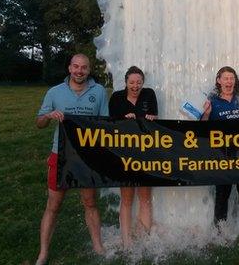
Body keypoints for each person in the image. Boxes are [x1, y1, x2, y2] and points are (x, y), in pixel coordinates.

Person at [35, 54, 108, 265]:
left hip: (87, 157)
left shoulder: (99, 91)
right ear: (69, 68)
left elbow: (105, 123)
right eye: (76, 66)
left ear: (89, 69)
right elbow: (39, 122)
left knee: (90, 202)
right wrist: (48, 117)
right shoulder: (54, 92)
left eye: (84, 68)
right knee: (54, 205)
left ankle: (98, 245)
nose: (79, 71)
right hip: (61, 156)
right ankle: (43, 253)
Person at [202, 66, 239, 229]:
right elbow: (201, 131)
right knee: (222, 194)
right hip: (222, 157)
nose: (229, 81)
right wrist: (206, 114)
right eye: (225, 78)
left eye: (231, 78)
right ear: (219, 81)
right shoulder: (212, 101)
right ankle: (220, 232)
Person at [108, 66, 158, 249]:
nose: (135, 86)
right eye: (132, 83)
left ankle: (144, 238)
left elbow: (153, 116)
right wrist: (123, 119)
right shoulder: (116, 97)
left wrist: (151, 118)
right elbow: (111, 124)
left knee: (145, 196)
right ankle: (126, 240)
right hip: (125, 153)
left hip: (145, 151)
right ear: (126, 82)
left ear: (143, 82)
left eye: (139, 82)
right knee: (127, 197)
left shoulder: (149, 94)